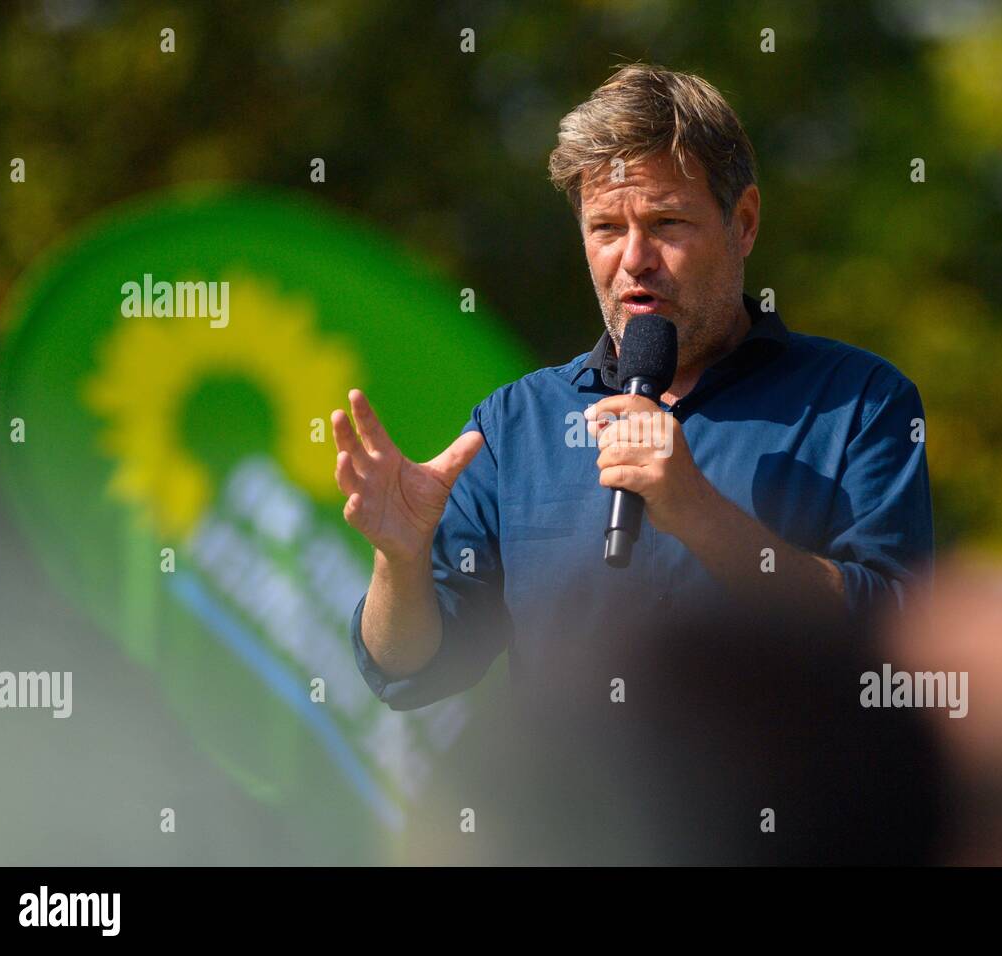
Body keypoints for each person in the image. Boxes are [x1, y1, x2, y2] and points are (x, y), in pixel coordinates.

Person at [332, 63, 933, 713]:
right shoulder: (514, 426)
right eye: (607, 229)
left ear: (745, 223)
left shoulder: (861, 404)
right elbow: (413, 669)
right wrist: (400, 560)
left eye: (668, 223)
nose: (634, 258)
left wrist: (701, 513)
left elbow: (896, 648)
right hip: (576, 817)